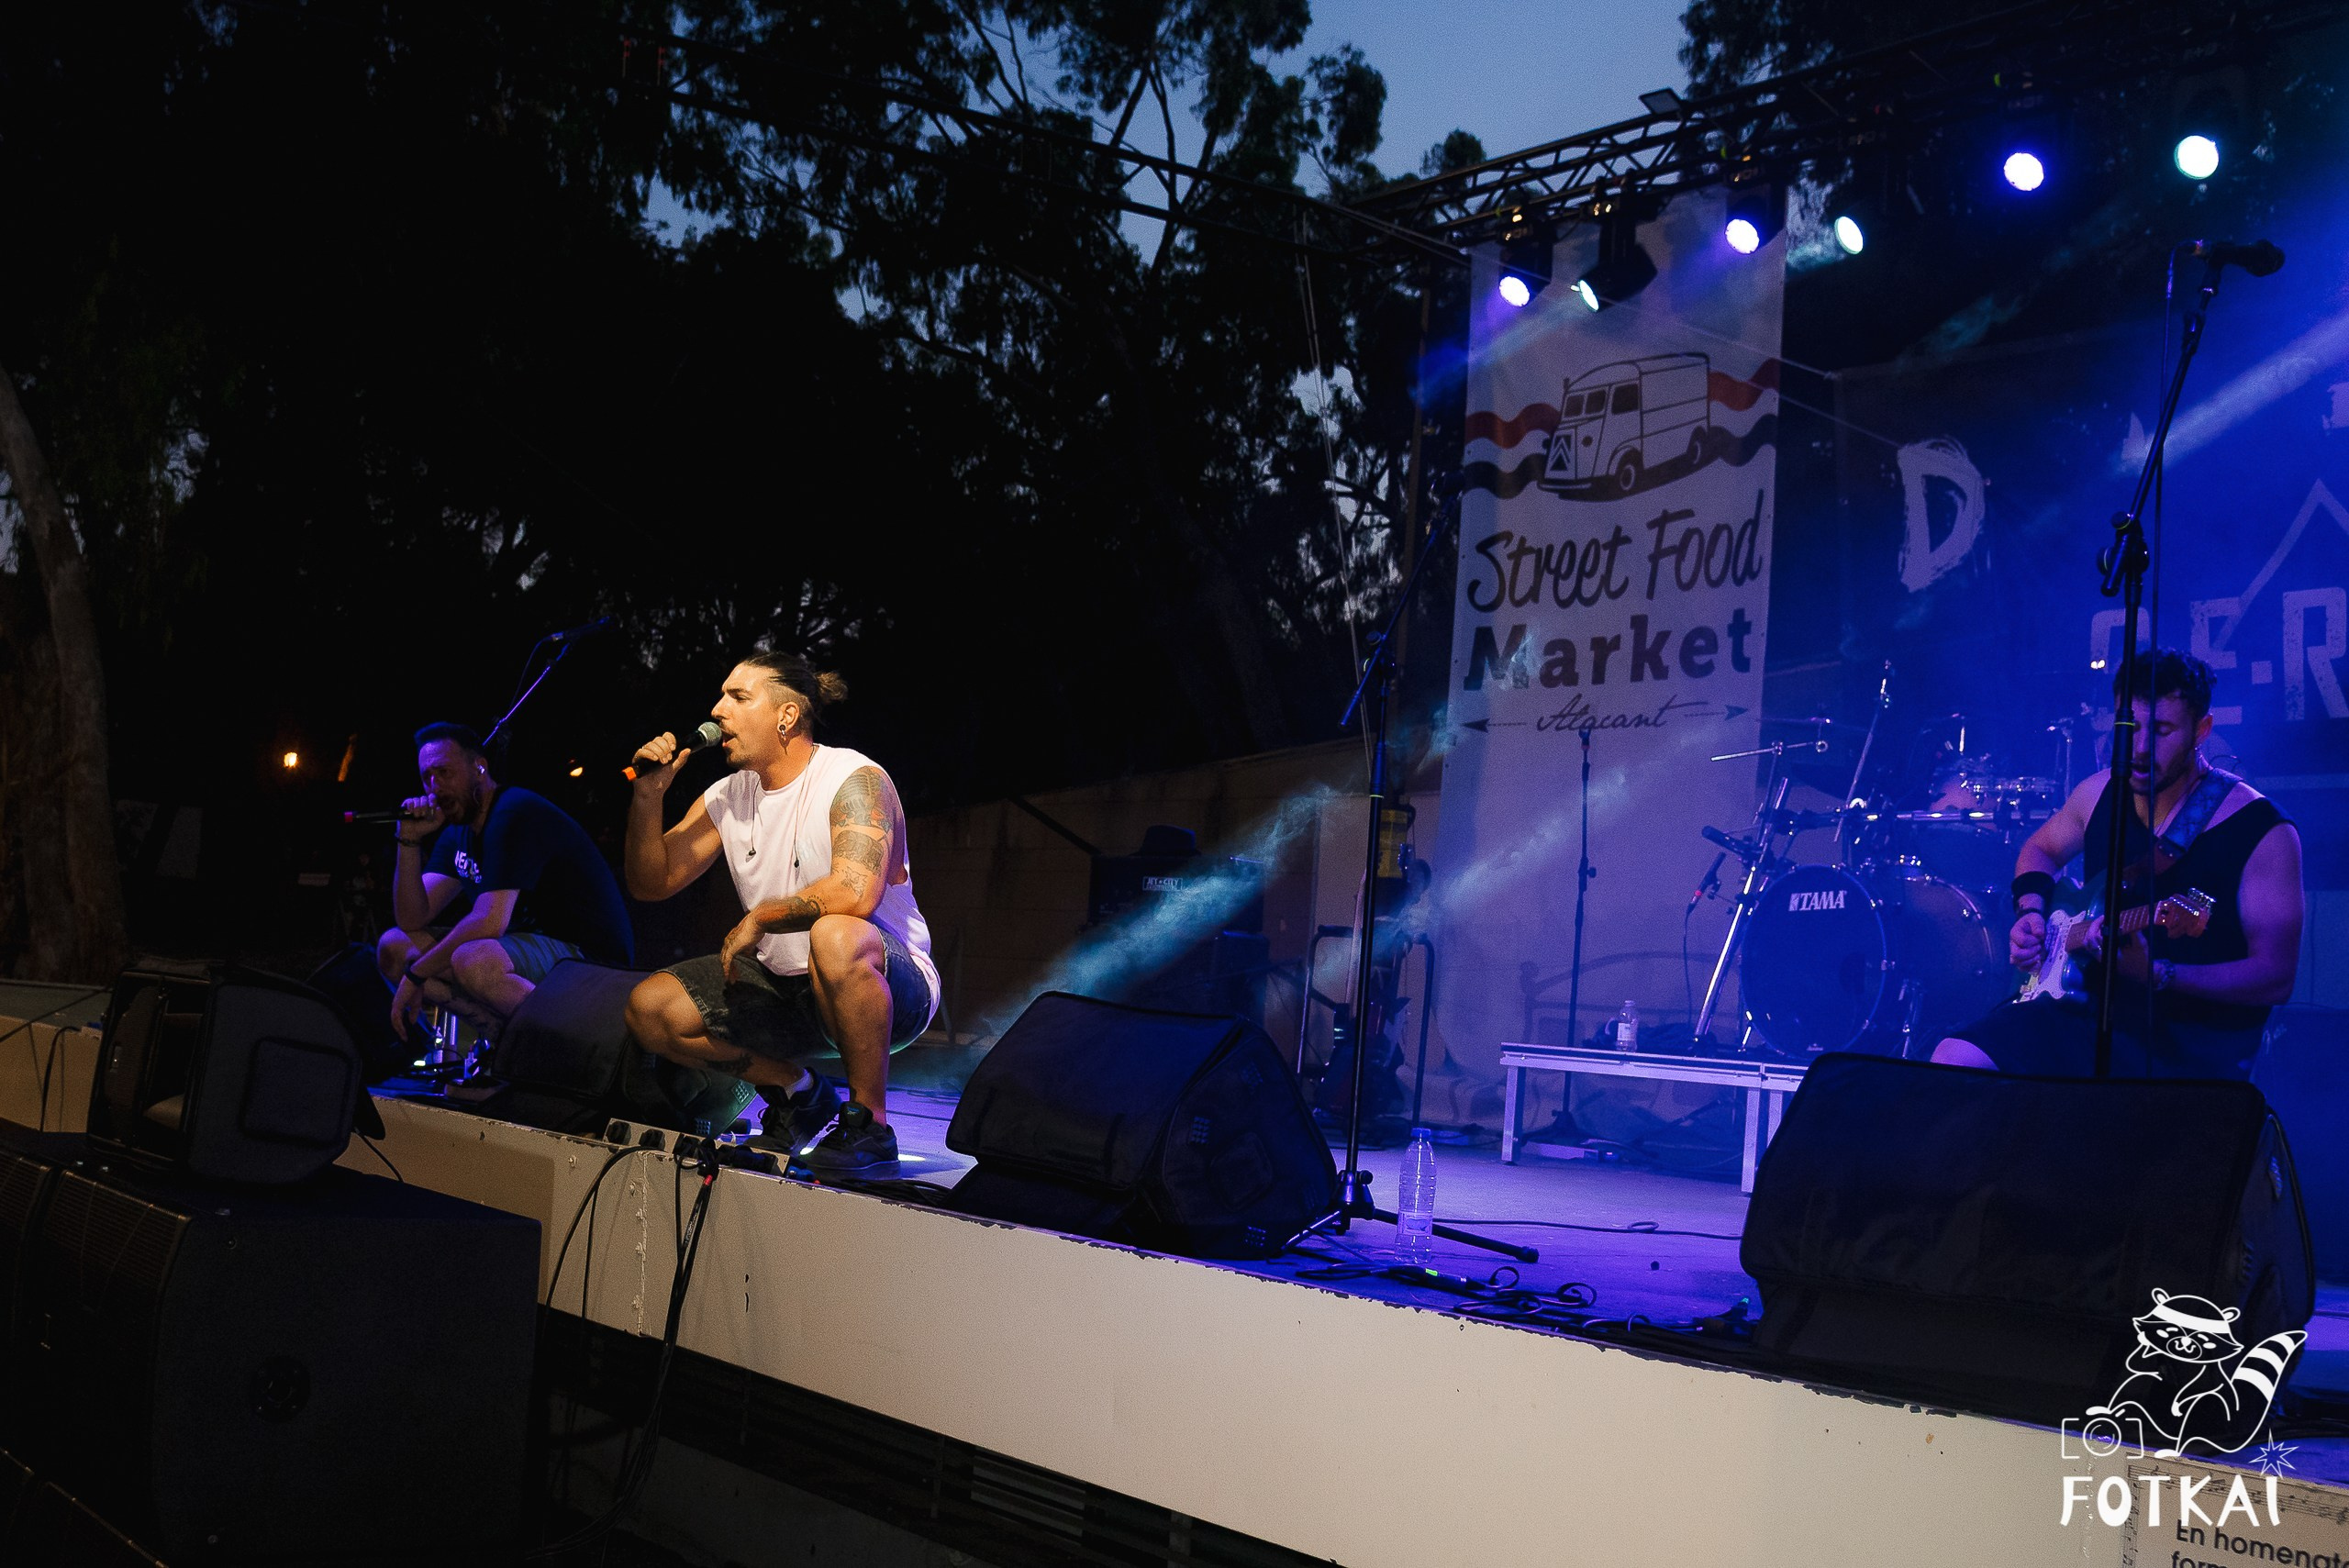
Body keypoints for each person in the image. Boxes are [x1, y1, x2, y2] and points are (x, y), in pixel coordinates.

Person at [621, 652, 939, 1173]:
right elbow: (650, 883)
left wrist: (760, 918)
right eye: (721, 696)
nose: (717, 709)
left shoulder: (854, 778)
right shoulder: (727, 796)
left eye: (738, 697)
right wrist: (648, 798)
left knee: (834, 934)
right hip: (788, 989)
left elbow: (855, 893)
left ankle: (871, 1127)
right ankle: (799, 1091)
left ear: (786, 716)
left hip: (888, 985)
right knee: (651, 1009)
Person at [1932, 651, 2302, 1080]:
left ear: (2201, 730)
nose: (2140, 749)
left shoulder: (2263, 831)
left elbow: (2276, 977)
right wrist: (2031, 912)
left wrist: (2161, 975)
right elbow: (2040, 849)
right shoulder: (2097, 792)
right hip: (2084, 1013)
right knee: (1954, 1058)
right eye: (2130, 728)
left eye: (2162, 731)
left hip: (2185, 1048)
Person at [377, 722, 636, 1041]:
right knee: (394, 947)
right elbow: (411, 919)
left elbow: (489, 921)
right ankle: (496, 1035)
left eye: (444, 772)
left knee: (474, 960)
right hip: (529, 950)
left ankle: (580, 1045)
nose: (435, 787)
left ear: (479, 767)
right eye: (427, 777)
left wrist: (417, 974)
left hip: (590, 957)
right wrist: (409, 841)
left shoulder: (512, 812)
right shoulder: (459, 833)